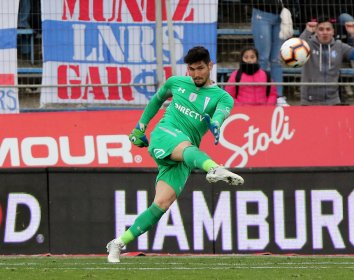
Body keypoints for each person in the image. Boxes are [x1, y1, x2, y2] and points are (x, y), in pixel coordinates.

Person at [106, 46, 244, 263]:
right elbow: (156, 101)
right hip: (165, 135)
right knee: (189, 148)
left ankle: (118, 243)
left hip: (184, 155)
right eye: (191, 69)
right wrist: (139, 129)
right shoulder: (175, 83)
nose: (196, 74)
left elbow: (219, 115)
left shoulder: (223, 97)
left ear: (210, 66)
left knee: (161, 204)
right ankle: (213, 168)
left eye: (200, 68)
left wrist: (216, 125)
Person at [299, 16, 354, 105]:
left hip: (333, 101)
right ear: (316, 31)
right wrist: (307, 32)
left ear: (333, 32)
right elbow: (294, 51)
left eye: (328, 29)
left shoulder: (339, 46)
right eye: (321, 29)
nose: (325, 32)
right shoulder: (308, 46)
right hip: (309, 101)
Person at [251, 0, 297, 106]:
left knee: (276, 59)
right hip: (261, 12)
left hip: (281, 15)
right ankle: (261, 95)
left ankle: (278, 96)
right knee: (263, 58)